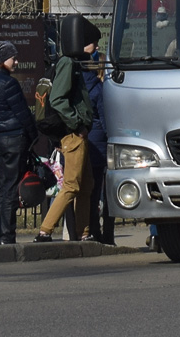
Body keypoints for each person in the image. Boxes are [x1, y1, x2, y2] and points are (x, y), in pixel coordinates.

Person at [35, 14, 98, 243]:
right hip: (74, 136)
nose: (96, 46)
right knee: (72, 185)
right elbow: (59, 99)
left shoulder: (74, 64)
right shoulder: (68, 63)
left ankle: (83, 232)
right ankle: (45, 230)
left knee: (86, 185)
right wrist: (77, 124)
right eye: (92, 41)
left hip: (79, 135)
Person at [0, 40, 34, 245]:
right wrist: (33, 135)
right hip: (13, 139)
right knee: (11, 190)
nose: (16, 62)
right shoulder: (8, 84)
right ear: (2, 60)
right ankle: (7, 236)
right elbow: (23, 114)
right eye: (13, 58)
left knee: (2, 189)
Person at [64, 47, 111, 243]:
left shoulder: (72, 85)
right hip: (97, 141)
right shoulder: (98, 89)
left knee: (74, 186)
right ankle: (93, 229)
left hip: (76, 139)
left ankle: (74, 229)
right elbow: (105, 116)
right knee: (94, 188)